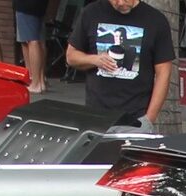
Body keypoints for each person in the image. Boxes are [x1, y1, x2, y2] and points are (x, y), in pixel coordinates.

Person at [66, 0, 175, 132]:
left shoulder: (155, 20)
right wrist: (94, 60)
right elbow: (71, 56)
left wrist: (148, 119)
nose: (120, 2)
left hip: (136, 118)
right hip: (95, 116)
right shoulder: (91, 13)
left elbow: (164, 73)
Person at [14, 0, 47, 93]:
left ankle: (36, 83)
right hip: (40, 6)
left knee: (32, 41)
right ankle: (39, 80)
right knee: (37, 41)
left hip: (26, 6)